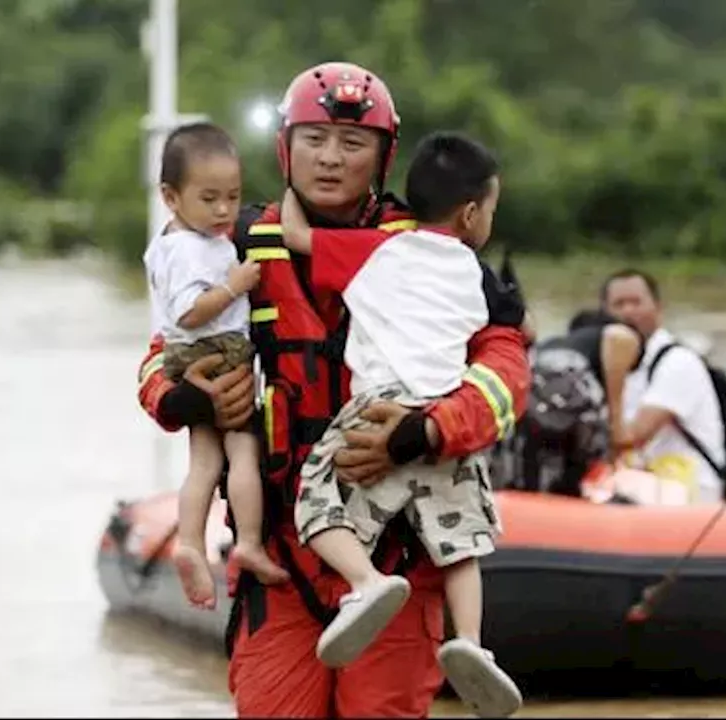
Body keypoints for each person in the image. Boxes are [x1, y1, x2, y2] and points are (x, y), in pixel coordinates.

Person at [134, 62, 528, 719]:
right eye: (314, 140)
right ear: (287, 146)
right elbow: (158, 357)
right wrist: (185, 400)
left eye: (352, 144)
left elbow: (506, 369)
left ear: (383, 156)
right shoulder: (226, 244)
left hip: (401, 555)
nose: (330, 160)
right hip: (282, 555)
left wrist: (424, 432)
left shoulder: (432, 251)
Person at [278, 131, 521, 717]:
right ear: (470, 213)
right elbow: (510, 343)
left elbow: (294, 237)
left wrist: (286, 189)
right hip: (440, 407)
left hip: (378, 404)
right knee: (462, 546)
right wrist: (432, 429)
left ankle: (365, 581)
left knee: (313, 501)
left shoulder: (374, 250)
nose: (332, 156)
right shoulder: (482, 278)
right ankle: (472, 643)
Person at [140, 122, 289, 610]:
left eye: (232, 196)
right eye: (210, 199)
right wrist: (235, 286)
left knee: (204, 462)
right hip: (218, 351)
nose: (224, 210)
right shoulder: (190, 250)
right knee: (242, 450)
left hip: (188, 357)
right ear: (171, 196)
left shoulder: (174, 241)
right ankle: (246, 540)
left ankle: (188, 542)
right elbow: (187, 311)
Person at [601, 270, 726, 504]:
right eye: (618, 304)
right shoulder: (610, 362)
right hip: (642, 480)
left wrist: (613, 372)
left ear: (658, 307)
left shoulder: (678, 362)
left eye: (636, 302)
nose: (628, 312)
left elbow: (629, 439)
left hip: (688, 489)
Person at [517, 309, 643, 496]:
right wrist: (617, 427)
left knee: (540, 463)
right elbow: (620, 337)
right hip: (567, 383)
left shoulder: (553, 343)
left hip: (527, 392)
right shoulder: (619, 336)